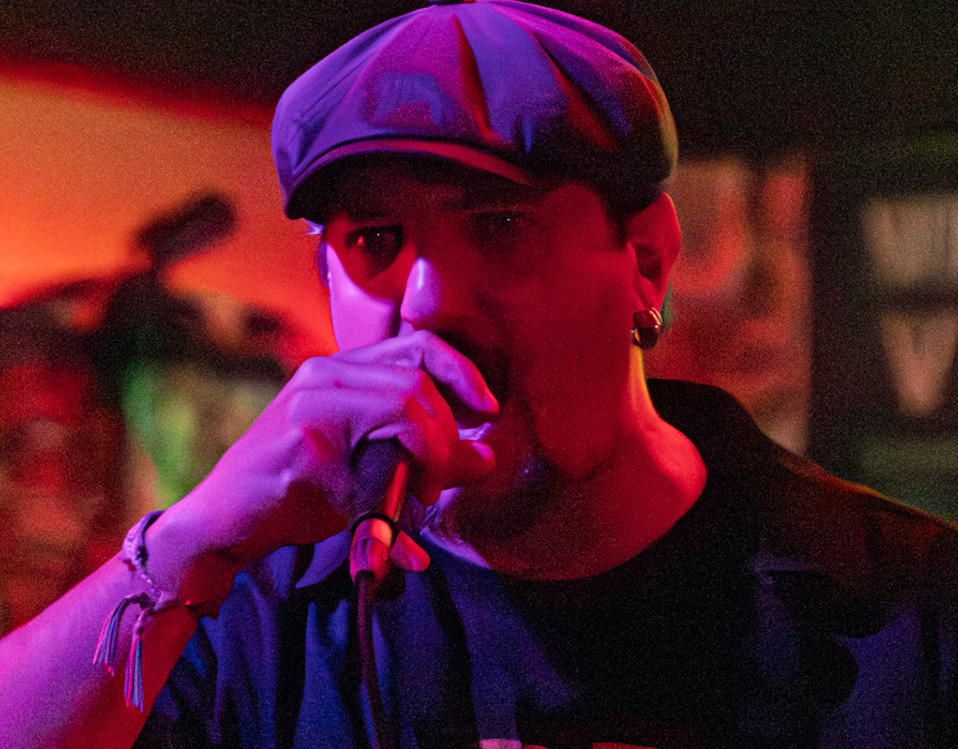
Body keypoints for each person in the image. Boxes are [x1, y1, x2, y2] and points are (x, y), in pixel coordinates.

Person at [2, 1, 957, 747]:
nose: (429, 301)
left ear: (646, 261)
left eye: (499, 225)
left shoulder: (905, 606)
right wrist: (192, 539)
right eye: (377, 241)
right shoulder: (258, 609)